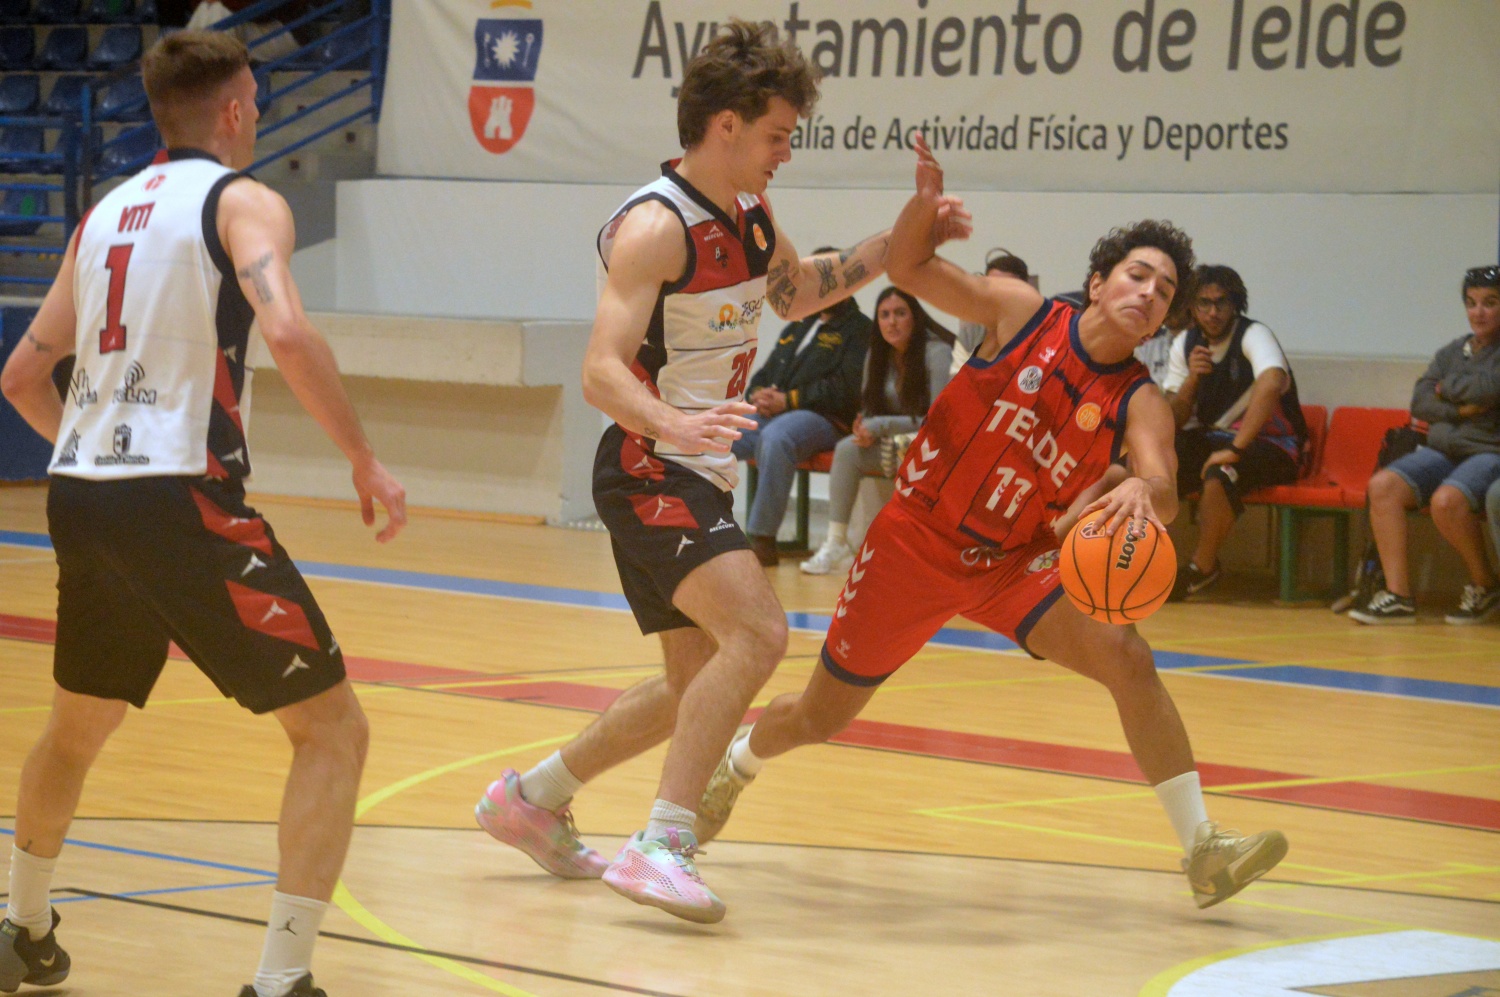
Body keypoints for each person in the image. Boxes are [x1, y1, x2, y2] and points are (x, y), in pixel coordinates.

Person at [692, 136, 1289, 913]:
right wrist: (922, 208)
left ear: (1161, 323)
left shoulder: (1140, 398)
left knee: (1128, 655)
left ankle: (1203, 844)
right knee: (819, 715)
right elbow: (911, 269)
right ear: (1100, 282)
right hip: (916, 539)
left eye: (1165, 290)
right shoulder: (1022, 311)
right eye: (1138, 274)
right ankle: (738, 762)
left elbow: (1162, 482)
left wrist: (1147, 494)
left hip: (1012, 562)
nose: (1150, 292)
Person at [471, 20, 969, 924]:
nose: (786, 153)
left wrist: (905, 233)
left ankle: (532, 799)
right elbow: (601, 370)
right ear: (727, 125)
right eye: (777, 134)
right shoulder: (656, 227)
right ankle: (663, 843)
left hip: (692, 469)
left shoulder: (750, 218)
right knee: (761, 633)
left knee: (688, 685)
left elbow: (802, 290)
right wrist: (674, 422)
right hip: (649, 463)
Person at [0, 32, 406, 997]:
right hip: (181, 492)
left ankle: (21, 926)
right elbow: (289, 330)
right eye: (255, 100)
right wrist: (363, 456)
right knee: (334, 732)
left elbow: (20, 376)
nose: (259, 114)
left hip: (80, 494)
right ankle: (282, 978)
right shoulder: (243, 202)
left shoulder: (102, 215)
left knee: (76, 725)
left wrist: (95, 451)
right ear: (230, 111)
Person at [1350, 265, 1500, 625]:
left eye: (1490, 302)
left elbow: (1489, 388)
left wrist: (1446, 389)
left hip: (1488, 451)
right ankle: (1399, 595)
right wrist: (1461, 408)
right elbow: (1420, 400)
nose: (1478, 312)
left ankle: (1485, 585)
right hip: (1443, 450)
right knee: (1382, 486)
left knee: (1446, 501)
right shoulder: (1452, 351)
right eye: (1471, 303)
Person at [1162, 265, 1307, 600]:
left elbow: (1271, 382)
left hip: (1274, 445)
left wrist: (1237, 448)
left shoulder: (1254, 334)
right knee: (1157, 461)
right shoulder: (1185, 343)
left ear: (1235, 304)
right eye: (1204, 303)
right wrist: (1192, 380)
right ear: (1192, 307)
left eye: (1221, 303)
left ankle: (1203, 568)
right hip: (1215, 437)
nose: (1213, 312)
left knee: (1221, 471)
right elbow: (1173, 418)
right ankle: (1147, 561)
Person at [800, 286, 954, 575]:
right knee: (847, 449)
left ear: (915, 317)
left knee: (904, 448)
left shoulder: (937, 352)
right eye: (884, 315)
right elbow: (870, 410)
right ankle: (836, 542)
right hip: (892, 444)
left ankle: (921, 551)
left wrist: (880, 426)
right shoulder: (877, 354)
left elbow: (937, 421)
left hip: (934, 448)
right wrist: (863, 426)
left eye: (900, 313)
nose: (891, 322)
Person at [734, 265, 872, 566]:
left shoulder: (860, 329)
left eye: (829, 283)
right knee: (723, 434)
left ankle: (761, 539)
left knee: (777, 438)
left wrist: (789, 400)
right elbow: (767, 371)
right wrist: (758, 394)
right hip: (776, 413)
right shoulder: (799, 323)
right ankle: (704, 525)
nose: (822, 289)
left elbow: (844, 389)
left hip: (825, 419)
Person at [951, 249, 1030, 373]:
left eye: (1006, 288)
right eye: (991, 287)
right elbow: (956, 378)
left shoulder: (1043, 327)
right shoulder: (972, 328)